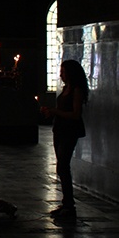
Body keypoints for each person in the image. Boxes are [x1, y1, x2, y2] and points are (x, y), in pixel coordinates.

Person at [41, 59, 88, 219]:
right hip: (59, 130)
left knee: (63, 166)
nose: (61, 75)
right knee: (61, 167)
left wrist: (55, 112)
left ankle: (69, 205)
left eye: (63, 72)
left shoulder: (76, 90)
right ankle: (66, 203)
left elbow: (75, 114)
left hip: (69, 131)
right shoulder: (66, 88)